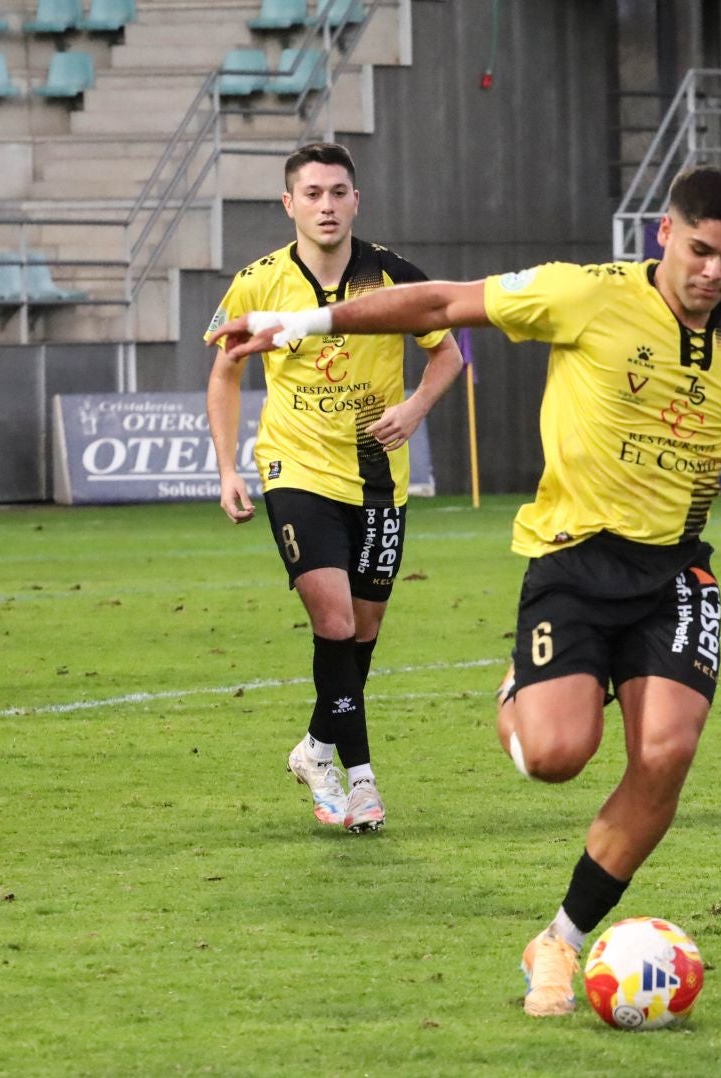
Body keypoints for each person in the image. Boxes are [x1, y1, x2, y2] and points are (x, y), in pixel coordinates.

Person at [210, 166, 721, 1017]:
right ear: (666, 232)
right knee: (556, 758)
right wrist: (303, 319)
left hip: (675, 574)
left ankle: (559, 940)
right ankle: (522, 689)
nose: (714, 272)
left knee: (665, 758)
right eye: (701, 250)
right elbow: (441, 306)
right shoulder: (581, 296)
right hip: (574, 562)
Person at [205, 142, 466, 835]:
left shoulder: (394, 277)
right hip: (295, 468)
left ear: (357, 201)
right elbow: (226, 371)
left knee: (363, 633)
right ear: (290, 204)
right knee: (335, 622)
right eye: (312, 193)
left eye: (338, 192)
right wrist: (229, 466)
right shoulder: (258, 282)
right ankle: (359, 780)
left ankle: (315, 745)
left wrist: (413, 409)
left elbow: (449, 356)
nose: (326, 205)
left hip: (379, 478)